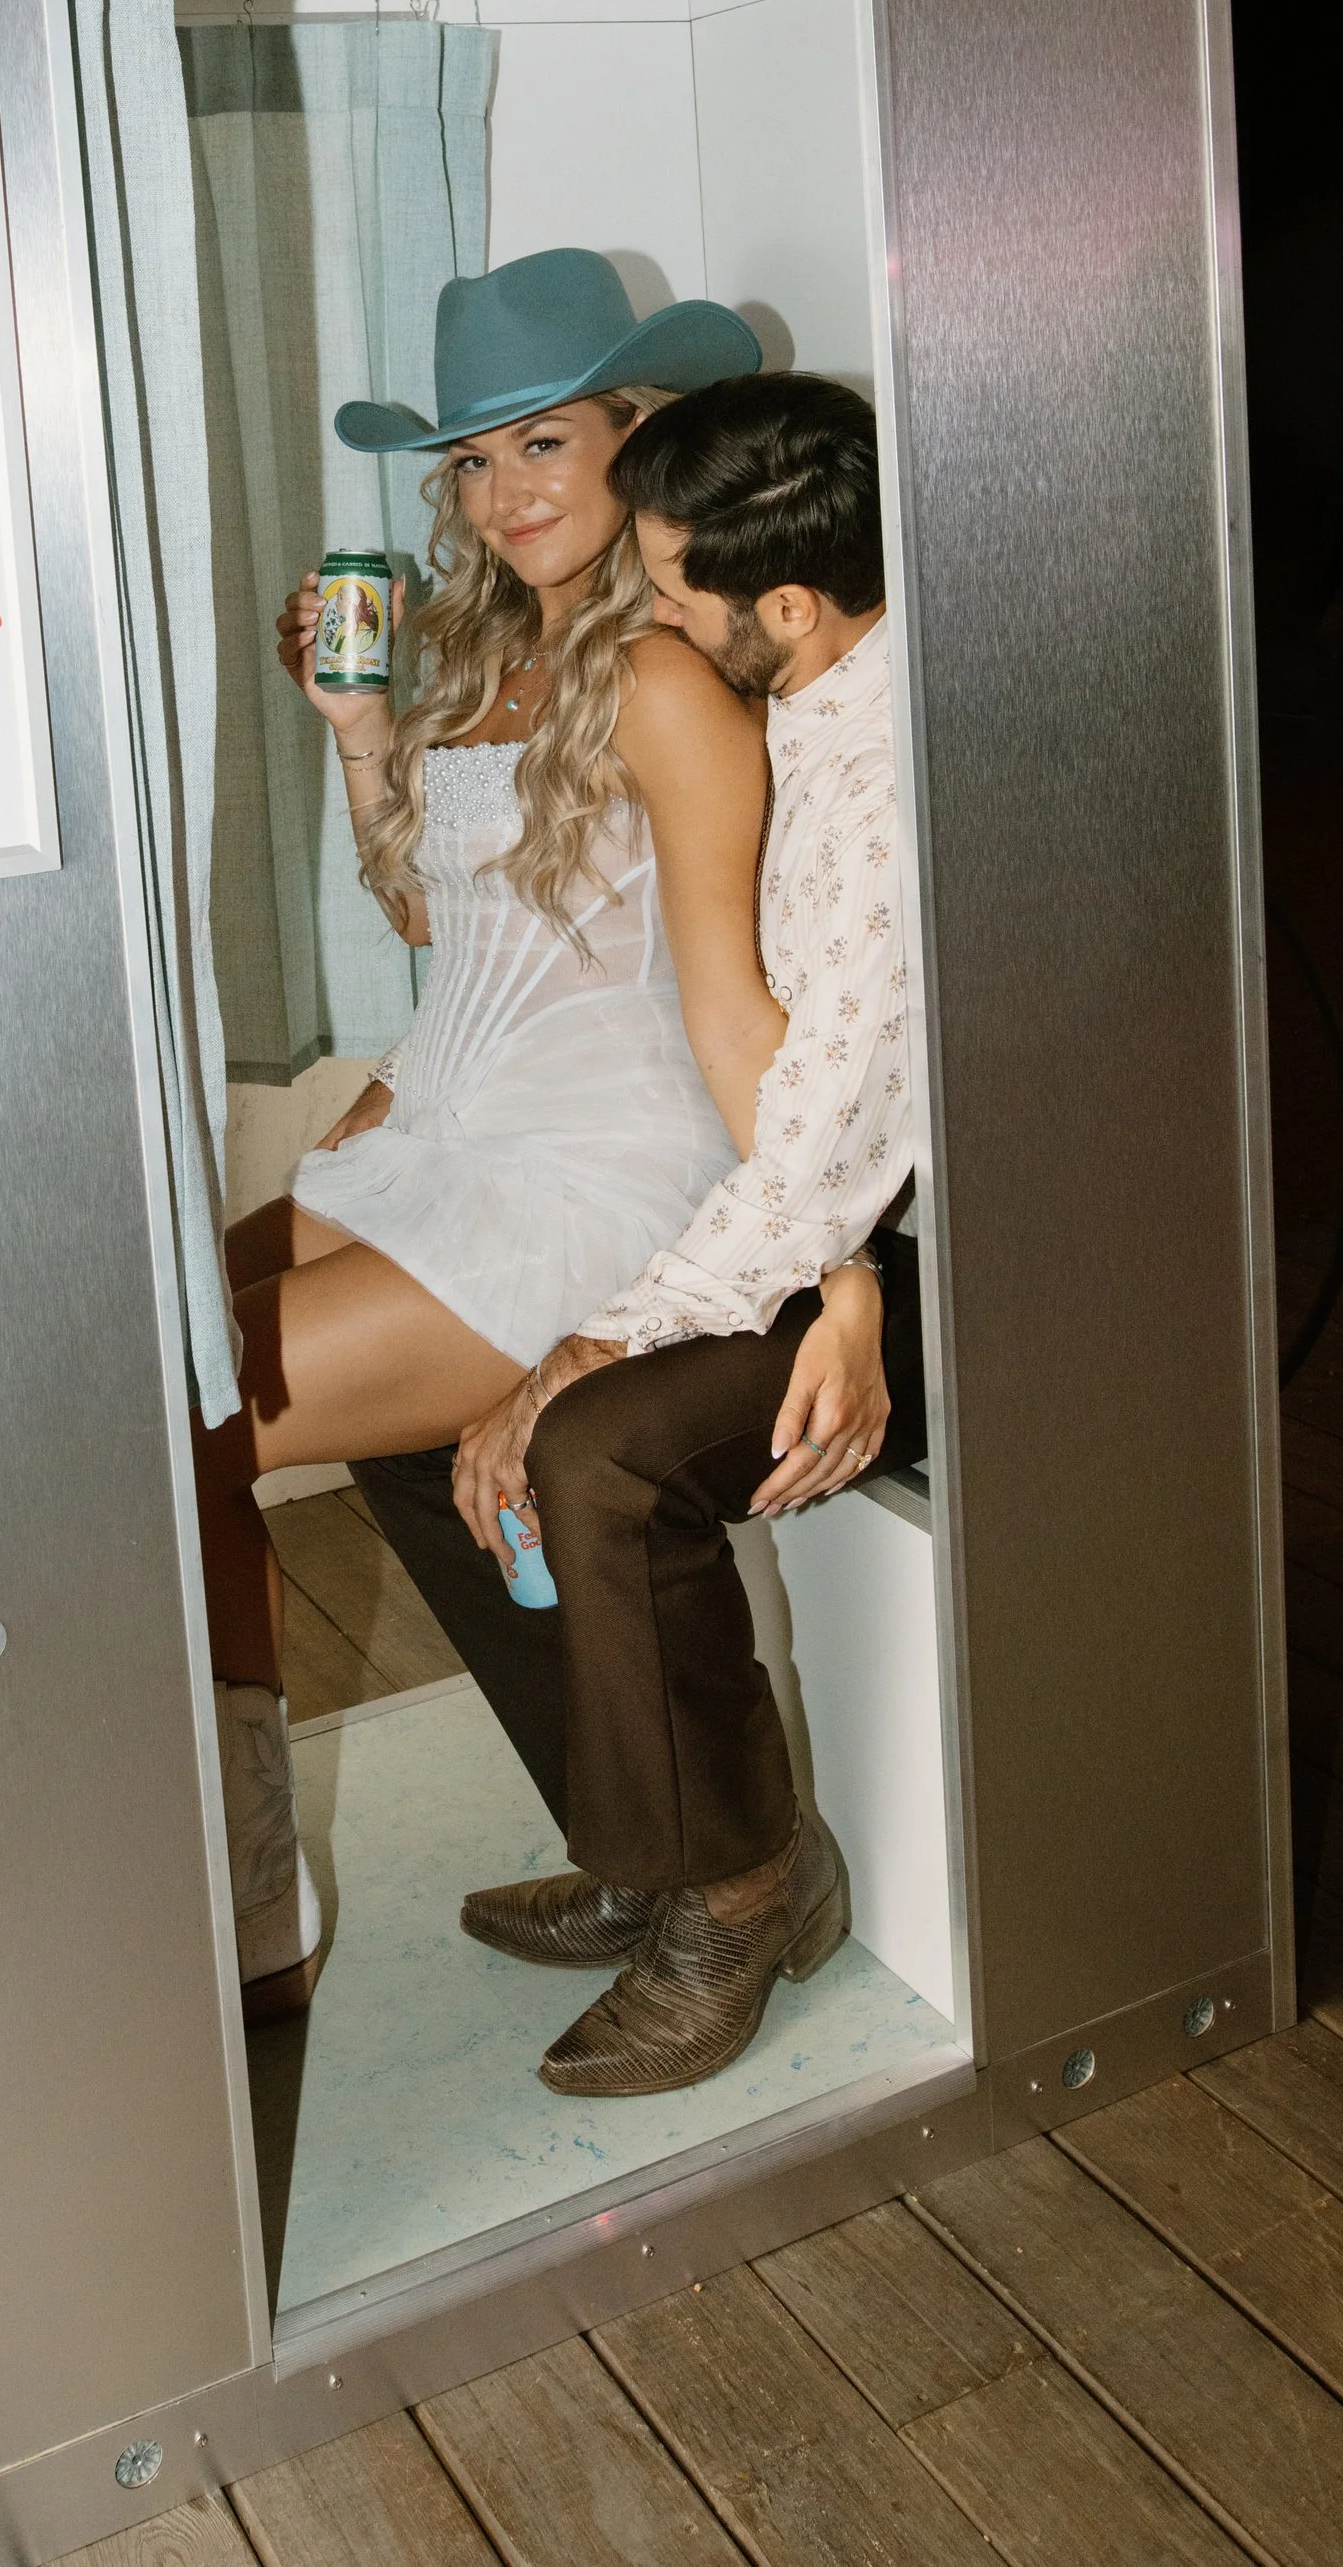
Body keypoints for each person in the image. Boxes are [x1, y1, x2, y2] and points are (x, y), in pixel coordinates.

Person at [198, 249, 795, 2021]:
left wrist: (817, 1267)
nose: (506, 491)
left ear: (636, 436)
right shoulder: (485, 648)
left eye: (545, 442)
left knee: (180, 1424)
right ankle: (624, 1837)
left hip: (582, 1178)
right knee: (143, 1341)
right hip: (445, 1129)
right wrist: (366, 732)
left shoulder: (673, 686)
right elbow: (444, 930)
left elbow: (731, 1011)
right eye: (469, 460)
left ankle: (244, 1910)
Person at [366, 372, 919, 2099]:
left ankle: (747, 1880)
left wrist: (617, 1334)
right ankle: (647, 1835)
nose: (651, 619)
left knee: (595, 1449)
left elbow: (836, 1129)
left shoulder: (878, 783)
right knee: (426, 1441)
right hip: (805, 1218)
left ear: (781, 603)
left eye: (675, 589)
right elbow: (778, 1080)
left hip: (903, 1253)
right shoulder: (802, 699)